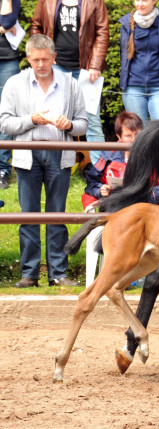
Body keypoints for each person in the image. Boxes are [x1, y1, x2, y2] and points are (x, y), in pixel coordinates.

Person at [0, 34, 88, 287]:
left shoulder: (70, 84)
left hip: (60, 153)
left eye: (45, 59)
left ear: (54, 58)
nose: (40, 64)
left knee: (57, 215)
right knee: (28, 215)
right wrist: (32, 120)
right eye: (36, 59)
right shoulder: (14, 84)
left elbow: (83, 124)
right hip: (27, 155)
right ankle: (29, 274)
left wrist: (69, 125)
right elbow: (4, 122)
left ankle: (58, 274)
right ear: (28, 58)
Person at [31, 0, 110, 166]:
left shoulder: (95, 2)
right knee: (54, 118)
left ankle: (101, 170)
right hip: (56, 67)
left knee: (92, 121)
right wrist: (43, 56)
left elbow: (102, 32)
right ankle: (54, 166)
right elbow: (36, 26)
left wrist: (95, 64)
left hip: (86, 70)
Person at [119, 0, 159, 163]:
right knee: (137, 136)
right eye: (137, 0)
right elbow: (124, 55)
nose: (140, 3)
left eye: (145, 0)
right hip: (133, 89)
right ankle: (142, 181)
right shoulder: (126, 22)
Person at [81, 111, 159, 210]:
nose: (134, 140)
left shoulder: (155, 153)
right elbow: (91, 183)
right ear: (119, 137)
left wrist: (147, 194)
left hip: (146, 210)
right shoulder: (109, 154)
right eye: (128, 136)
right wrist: (100, 190)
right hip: (115, 210)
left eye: (137, 134)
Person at [0, 0, 21, 189]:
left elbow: (8, 22)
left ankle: (2, 170)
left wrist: (4, 28)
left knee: (5, 115)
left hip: (6, 60)